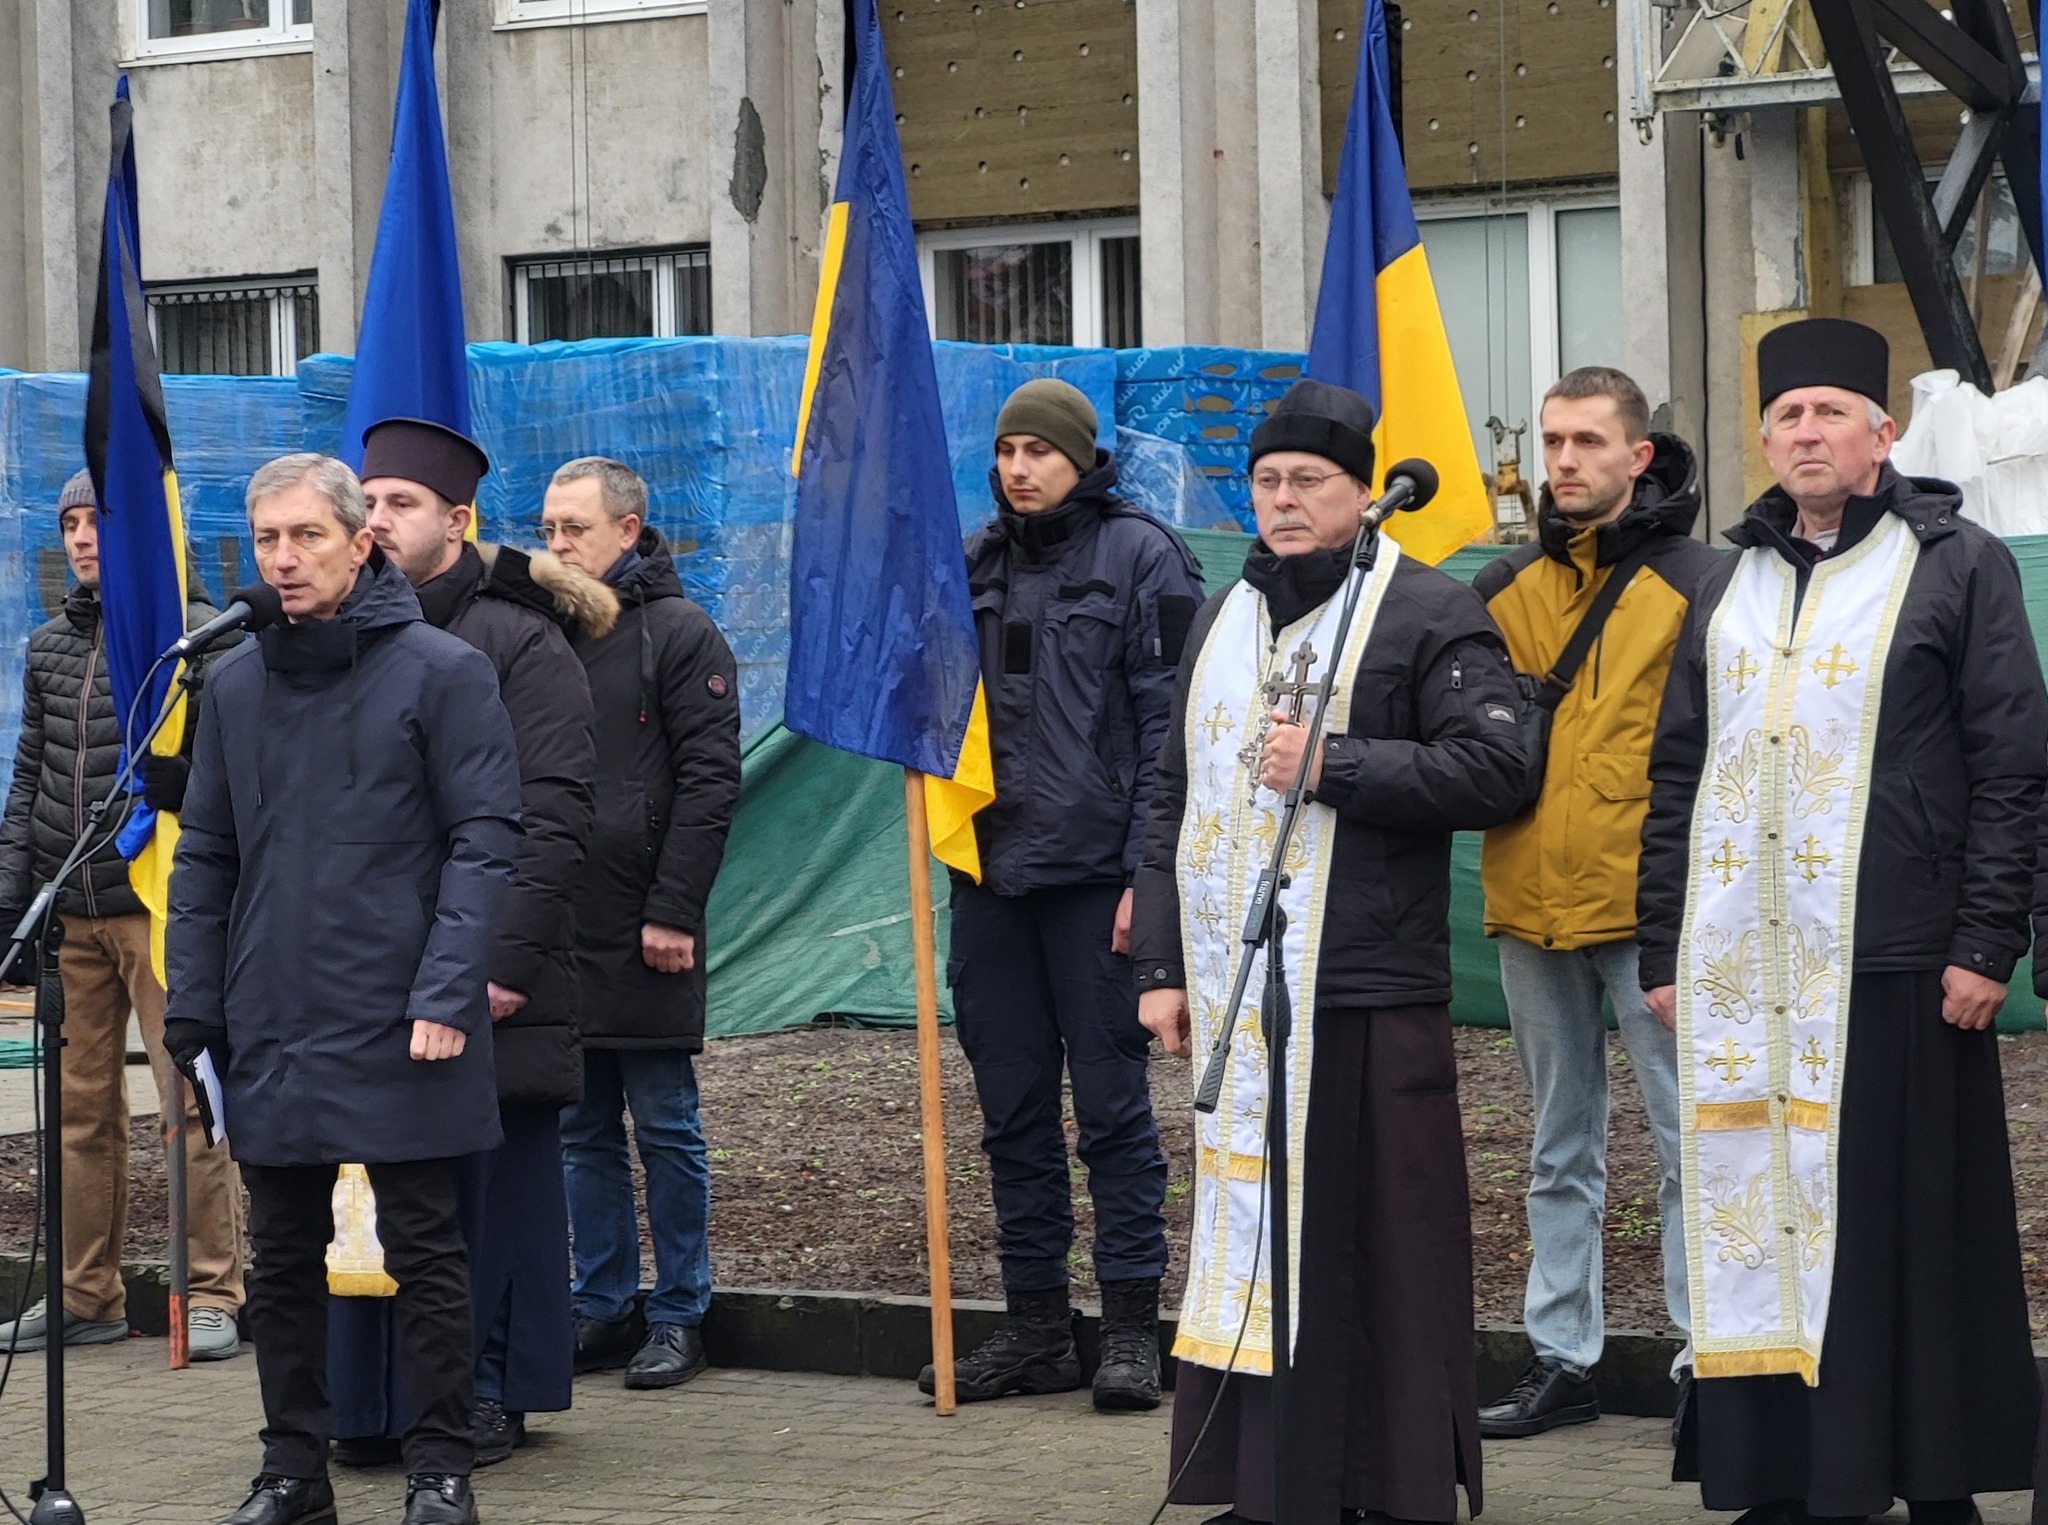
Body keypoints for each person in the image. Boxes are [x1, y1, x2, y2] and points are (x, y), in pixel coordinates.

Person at [1639, 317, 2045, 1525]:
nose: (1805, 433)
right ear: (1761, 440)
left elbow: (2010, 760)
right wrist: (1666, 942)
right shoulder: (1726, 576)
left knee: (1894, 1227)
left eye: (1828, 412)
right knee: (1760, 1211)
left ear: (1882, 432)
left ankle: (1921, 1477)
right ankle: (1785, 1476)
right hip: (1742, 963)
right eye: (1785, 417)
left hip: (1899, 958)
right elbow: (1676, 772)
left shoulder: (1955, 560)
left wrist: (1984, 942)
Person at [1131, 379, 1529, 1523]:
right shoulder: (1223, 614)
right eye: (1266, 481)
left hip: (1360, 989)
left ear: (1364, 492)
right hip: (1237, 986)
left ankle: (1380, 1486)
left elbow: (1497, 772)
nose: (1284, 500)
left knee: (1368, 1248)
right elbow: (1170, 795)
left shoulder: (1424, 610)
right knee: (1252, 1233)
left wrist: (1336, 760)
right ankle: (1267, 1482)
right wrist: (1160, 966)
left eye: (1309, 481)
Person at [163, 453, 522, 1525]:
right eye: (267, 538)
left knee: (424, 1248)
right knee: (281, 1258)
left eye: (306, 535)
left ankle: (439, 1468)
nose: (283, 557)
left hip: (404, 1009)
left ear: (361, 540)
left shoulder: (442, 672)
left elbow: (485, 840)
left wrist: (446, 991)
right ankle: (290, 1471)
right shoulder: (231, 682)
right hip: (271, 1014)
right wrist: (193, 1003)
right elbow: (207, 855)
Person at [913, 379, 1205, 1411]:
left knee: (1114, 1115)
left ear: (1082, 458)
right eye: (1005, 451)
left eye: (1039, 450)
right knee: (1012, 1114)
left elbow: (1173, 731)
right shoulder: (974, 561)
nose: (1018, 468)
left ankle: (1132, 1330)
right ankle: (1039, 1328)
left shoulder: (1143, 556)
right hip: (991, 879)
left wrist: (1146, 878)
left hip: (1098, 885)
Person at [325, 419, 609, 1469]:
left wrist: (494, 967)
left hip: (493, 975)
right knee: (378, 1190)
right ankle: (374, 1398)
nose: (381, 521)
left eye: (403, 504)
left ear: (456, 520)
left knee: (499, 1191)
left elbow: (551, 817)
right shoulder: (340, 630)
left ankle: (495, 1387)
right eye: (371, 502)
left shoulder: (518, 641)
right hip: (370, 975)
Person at [1471, 367, 1717, 1437]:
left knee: (1688, 1142)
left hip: (1652, 916)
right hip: (1529, 904)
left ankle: (1707, 1362)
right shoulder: (1499, 587)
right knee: (1553, 1146)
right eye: (1552, 440)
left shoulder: (1703, 584)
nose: (1563, 461)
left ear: (1637, 455)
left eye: (1586, 442)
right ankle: (1558, 1358)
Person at [0, 468, 247, 1362]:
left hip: (160, 909)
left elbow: (229, 777)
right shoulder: (46, 647)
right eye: (68, 523)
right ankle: (84, 1293)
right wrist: (10, 895)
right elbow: (29, 778)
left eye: (97, 521)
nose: (80, 538)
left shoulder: (196, 640)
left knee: (188, 1102)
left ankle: (213, 1289)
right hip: (73, 909)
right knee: (78, 1113)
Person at [538, 456, 741, 1391]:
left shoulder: (684, 633)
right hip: (563, 925)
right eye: (547, 529)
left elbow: (708, 784)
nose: (557, 545)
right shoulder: (540, 633)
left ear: (628, 530)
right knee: (580, 1128)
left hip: (648, 927)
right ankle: (601, 1302)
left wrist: (673, 908)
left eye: (574, 528)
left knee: (664, 1123)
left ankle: (679, 1308)